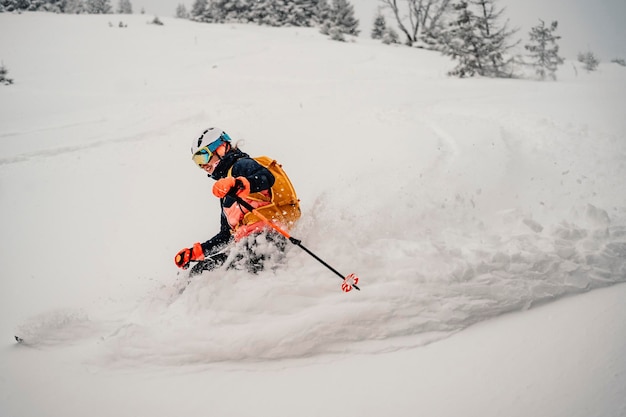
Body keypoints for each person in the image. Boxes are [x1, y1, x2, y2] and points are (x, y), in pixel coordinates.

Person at [174, 127, 300, 276]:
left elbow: (266, 178)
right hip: (245, 245)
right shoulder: (226, 192)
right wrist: (197, 251)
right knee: (200, 271)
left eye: (203, 156)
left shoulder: (242, 165)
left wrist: (240, 184)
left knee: (231, 273)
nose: (202, 165)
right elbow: (226, 236)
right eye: (197, 162)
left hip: (268, 239)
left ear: (221, 148)